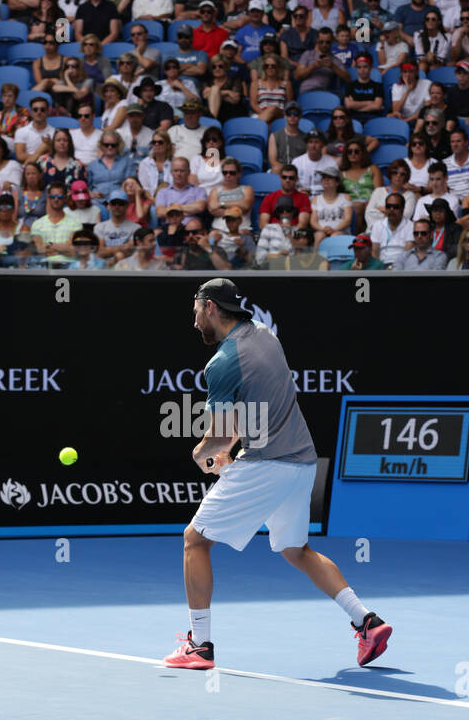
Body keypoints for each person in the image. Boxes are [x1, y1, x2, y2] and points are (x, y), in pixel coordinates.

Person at [164, 278, 392, 669]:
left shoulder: (221, 362)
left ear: (211, 308)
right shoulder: (267, 336)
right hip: (302, 464)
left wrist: (201, 452)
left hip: (267, 465)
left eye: (196, 311)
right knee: (296, 550)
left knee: (195, 541)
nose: (194, 321)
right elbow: (245, 417)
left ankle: (200, 645)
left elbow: (218, 434)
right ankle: (366, 621)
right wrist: (227, 450)